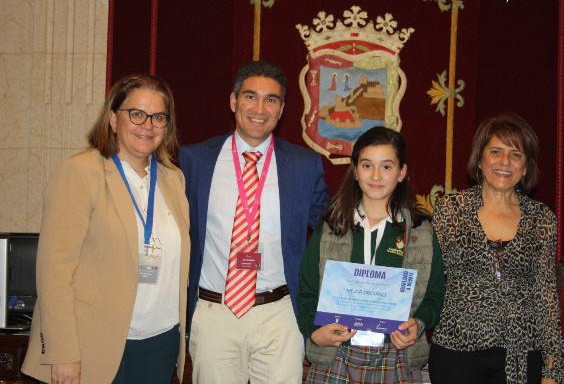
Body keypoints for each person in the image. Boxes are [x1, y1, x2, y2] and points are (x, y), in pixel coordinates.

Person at [22, 74, 191, 384]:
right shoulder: (81, 172)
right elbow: (54, 271)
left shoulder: (173, 180)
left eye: (158, 117)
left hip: (159, 343)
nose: (148, 125)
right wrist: (62, 352)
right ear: (114, 119)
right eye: (136, 114)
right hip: (92, 343)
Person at [179, 60, 330, 384]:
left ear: (282, 108)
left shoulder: (304, 165)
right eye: (250, 97)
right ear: (234, 101)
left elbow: (332, 232)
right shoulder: (194, 160)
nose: (259, 108)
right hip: (214, 312)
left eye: (271, 100)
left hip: (279, 315)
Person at [297, 126, 445, 383]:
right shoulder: (331, 227)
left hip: (397, 357)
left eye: (386, 167)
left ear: (402, 173)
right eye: (367, 165)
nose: (376, 175)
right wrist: (314, 332)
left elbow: (435, 295)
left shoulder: (422, 232)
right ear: (355, 171)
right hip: (336, 355)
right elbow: (307, 292)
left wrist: (418, 324)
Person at [428, 113, 564, 384]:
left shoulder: (542, 218)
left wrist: (552, 367)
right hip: (456, 351)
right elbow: (430, 281)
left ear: (526, 167)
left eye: (516, 155)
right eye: (496, 152)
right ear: (479, 160)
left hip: (522, 353)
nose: (505, 162)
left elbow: (546, 295)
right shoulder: (450, 209)